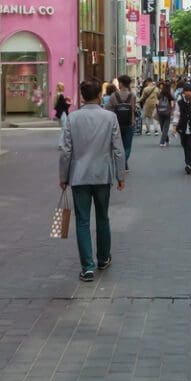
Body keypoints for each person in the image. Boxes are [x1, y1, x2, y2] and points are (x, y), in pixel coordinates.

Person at [59, 80, 125, 283]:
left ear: (81, 96)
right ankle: (103, 258)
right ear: (99, 96)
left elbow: (65, 150)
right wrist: (120, 175)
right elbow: (118, 149)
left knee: (82, 221)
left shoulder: (72, 118)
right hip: (102, 175)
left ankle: (87, 267)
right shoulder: (110, 117)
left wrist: (63, 177)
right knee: (103, 217)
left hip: (79, 176)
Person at [106, 75, 138, 172]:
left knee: (117, 145)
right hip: (129, 123)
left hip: (116, 124)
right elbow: (134, 109)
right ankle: (124, 163)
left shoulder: (113, 95)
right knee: (127, 145)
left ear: (121, 83)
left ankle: (121, 162)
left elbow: (108, 109)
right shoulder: (132, 96)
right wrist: (133, 120)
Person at [155, 81, 174, 148]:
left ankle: (167, 140)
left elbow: (156, 104)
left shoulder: (160, 95)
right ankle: (162, 142)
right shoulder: (170, 96)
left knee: (162, 128)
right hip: (167, 113)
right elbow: (172, 105)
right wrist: (171, 112)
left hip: (160, 112)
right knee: (165, 128)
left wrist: (157, 111)